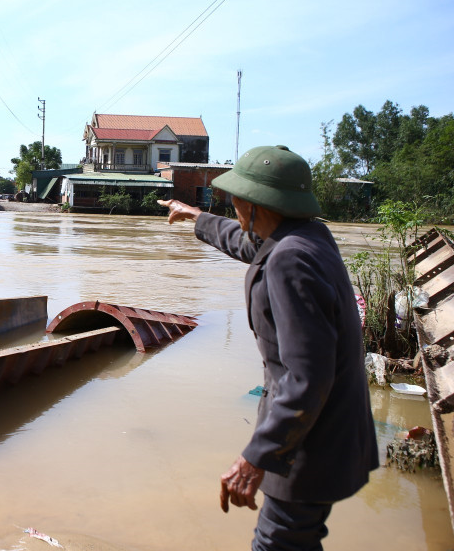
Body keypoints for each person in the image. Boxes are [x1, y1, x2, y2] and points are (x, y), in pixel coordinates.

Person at [159, 145, 378, 551]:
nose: (233, 205)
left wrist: (256, 456)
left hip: (308, 442)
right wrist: (197, 217)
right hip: (332, 431)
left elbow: (308, 377)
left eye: (236, 198)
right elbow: (250, 246)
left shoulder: (290, 261)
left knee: (277, 543)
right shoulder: (307, 237)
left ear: (255, 204)